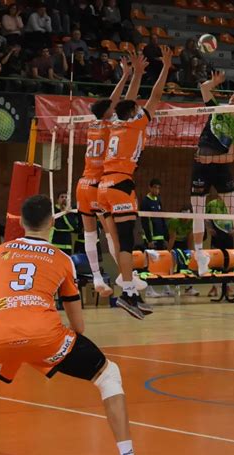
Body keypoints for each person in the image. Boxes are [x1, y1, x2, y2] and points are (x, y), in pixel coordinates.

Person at [0, 195, 136, 455]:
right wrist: (51, 350)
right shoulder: (62, 259)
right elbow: (78, 325)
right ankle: (127, 454)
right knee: (108, 375)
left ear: (21, 222)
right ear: (52, 224)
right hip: (48, 338)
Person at [97, 46, 173, 320]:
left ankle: (129, 295)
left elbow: (127, 101)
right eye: (138, 108)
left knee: (117, 243)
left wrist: (136, 74)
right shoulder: (136, 123)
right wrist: (165, 67)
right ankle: (127, 294)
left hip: (103, 188)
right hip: (120, 186)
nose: (142, 108)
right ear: (135, 113)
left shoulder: (116, 124)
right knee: (128, 244)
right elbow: (155, 96)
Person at [76, 54, 146, 297]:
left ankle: (97, 277)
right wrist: (130, 75)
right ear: (108, 112)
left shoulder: (92, 124)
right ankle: (127, 275)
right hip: (100, 183)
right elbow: (122, 100)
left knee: (89, 233)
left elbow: (113, 102)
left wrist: (126, 74)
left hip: (82, 183)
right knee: (111, 234)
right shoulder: (111, 125)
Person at [190, 70, 234, 277]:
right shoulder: (216, 110)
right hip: (200, 168)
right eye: (232, 95)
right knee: (198, 212)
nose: (233, 98)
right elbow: (204, 88)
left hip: (219, 167)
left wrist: (210, 159)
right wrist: (214, 81)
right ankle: (200, 257)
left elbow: (231, 157)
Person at [140, 178, 170, 298]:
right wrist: (148, 240)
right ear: (150, 187)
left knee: (163, 262)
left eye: (159, 188)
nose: (157, 190)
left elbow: (162, 219)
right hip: (151, 239)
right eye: (155, 187)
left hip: (160, 237)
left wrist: (166, 237)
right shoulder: (145, 202)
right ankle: (149, 289)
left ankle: (166, 288)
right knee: (150, 264)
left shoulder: (158, 200)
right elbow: (145, 222)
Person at [205, 198, 234, 297]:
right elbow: (205, 217)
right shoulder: (212, 203)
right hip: (217, 236)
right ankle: (214, 287)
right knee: (215, 262)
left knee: (228, 262)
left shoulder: (232, 202)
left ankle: (227, 286)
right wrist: (209, 228)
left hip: (228, 236)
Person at [50, 191, 78, 256]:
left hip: (67, 245)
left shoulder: (71, 211)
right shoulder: (53, 210)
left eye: (66, 197)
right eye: (62, 197)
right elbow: (55, 225)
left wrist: (65, 213)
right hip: (54, 243)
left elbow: (73, 227)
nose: (64, 199)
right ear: (57, 199)